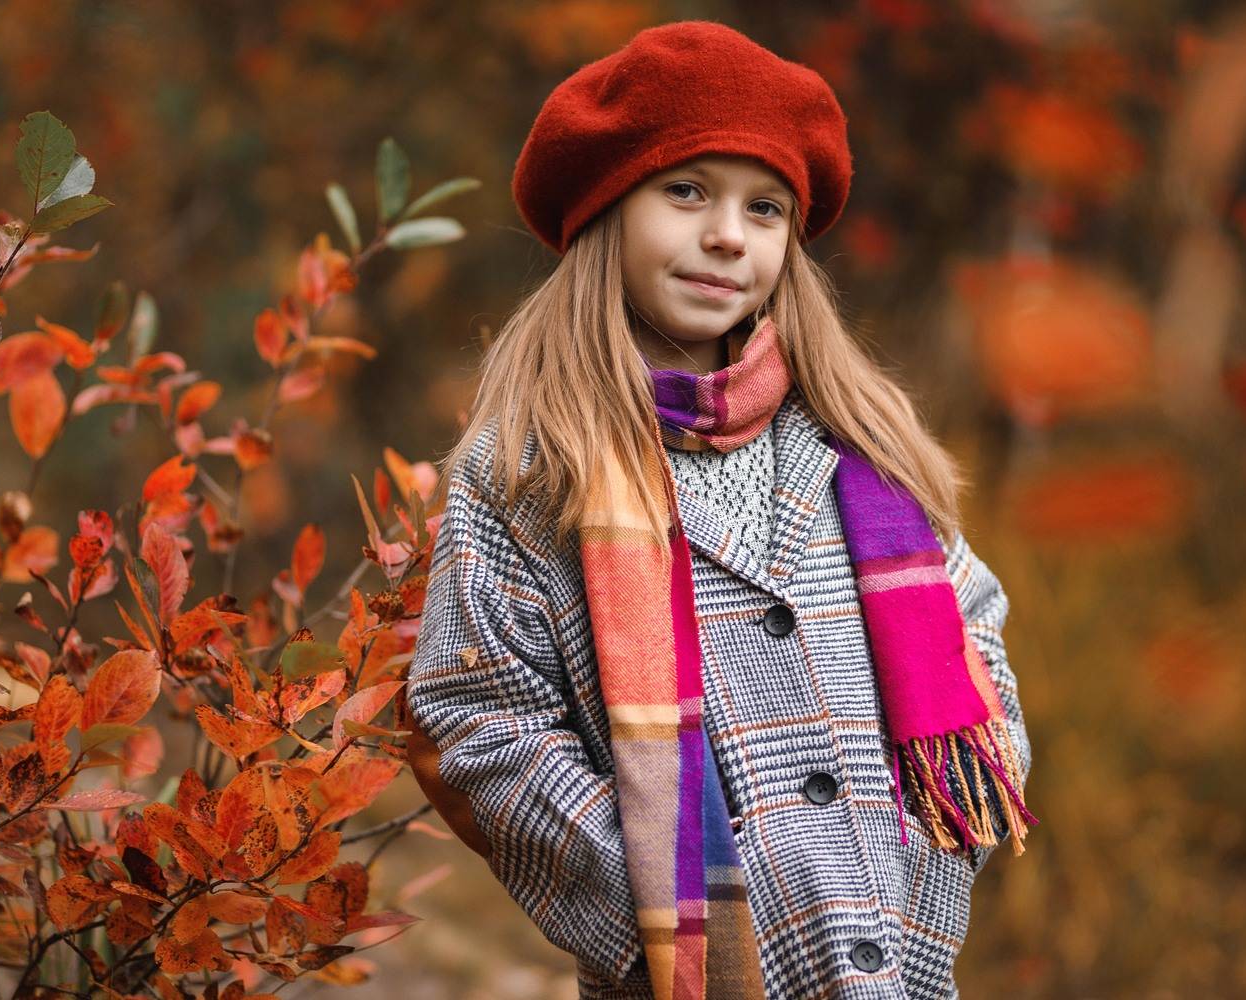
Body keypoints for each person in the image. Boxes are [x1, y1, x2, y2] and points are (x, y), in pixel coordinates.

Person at [402, 20, 1037, 1000]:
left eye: (767, 207)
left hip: (896, 963)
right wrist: (656, 905)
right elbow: (477, 722)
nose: (728, 235)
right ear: (608, 209)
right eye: (686, 190)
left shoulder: (855, 445)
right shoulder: (531, 468)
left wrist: (921, 874)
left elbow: (972, 642)